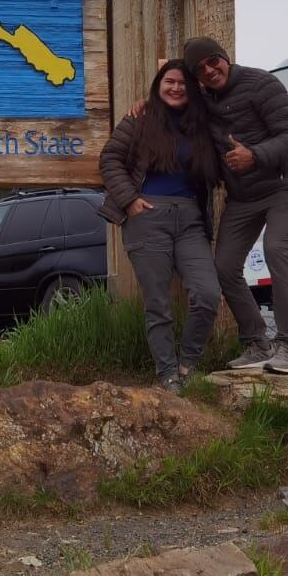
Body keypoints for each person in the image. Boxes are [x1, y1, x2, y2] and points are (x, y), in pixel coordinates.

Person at [181, 36, 288, 373]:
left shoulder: (262, 83)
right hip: (243, 197)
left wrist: (255, 156)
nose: (210, 71)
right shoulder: (203, 99)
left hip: (283, 185)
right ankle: (258, 343)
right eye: (200, 69)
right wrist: (143, 103)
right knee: (223, 266)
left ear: (224, 57)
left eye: (213, 61)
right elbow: (170, 96)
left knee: (276, 250)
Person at [98, 60, 222, 393]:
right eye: (169, 81)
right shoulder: (139, 118)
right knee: (158, 303)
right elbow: (109, 158)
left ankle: (187, 364)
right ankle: (167, 375)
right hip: (147, 217)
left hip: (191, 220)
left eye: (183, 83)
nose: (176, 88)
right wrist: (129, 201)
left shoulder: (201, 124)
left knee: (208, 293)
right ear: (158, 84)